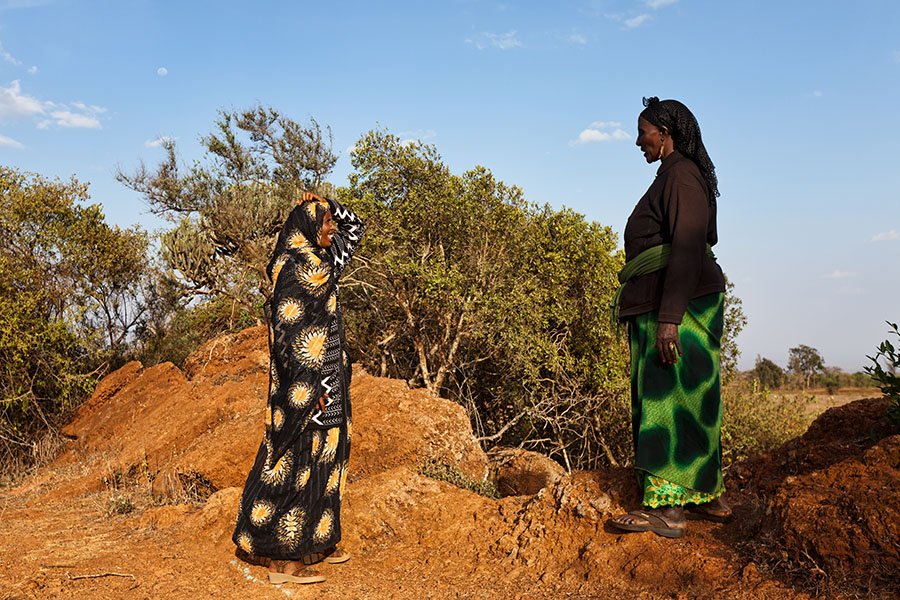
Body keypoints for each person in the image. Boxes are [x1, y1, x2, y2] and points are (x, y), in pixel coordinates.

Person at [609, 97, 731, 538]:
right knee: (695, 398)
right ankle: (705, 493)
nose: (637, 140)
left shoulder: (680, 175)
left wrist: (669, 318)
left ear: (665, 134)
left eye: (642, 132)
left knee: (667, 397)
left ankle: (667, 508)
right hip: (673, 299)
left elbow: (685, 248)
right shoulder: (676, 175)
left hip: (678, 303)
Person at [233, 191, 365, 583]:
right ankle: (278, 556)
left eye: (329, 222)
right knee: (294, 459)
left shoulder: (326, 259)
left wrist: (328, 203)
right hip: (302, 386)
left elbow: (356, 228)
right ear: (306, 226)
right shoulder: (289, 269)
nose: (331, 229)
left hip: (331, 377)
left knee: (330, 454)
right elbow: (287, 337)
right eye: (324, 223)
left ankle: (316, 539)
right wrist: (304, 389)